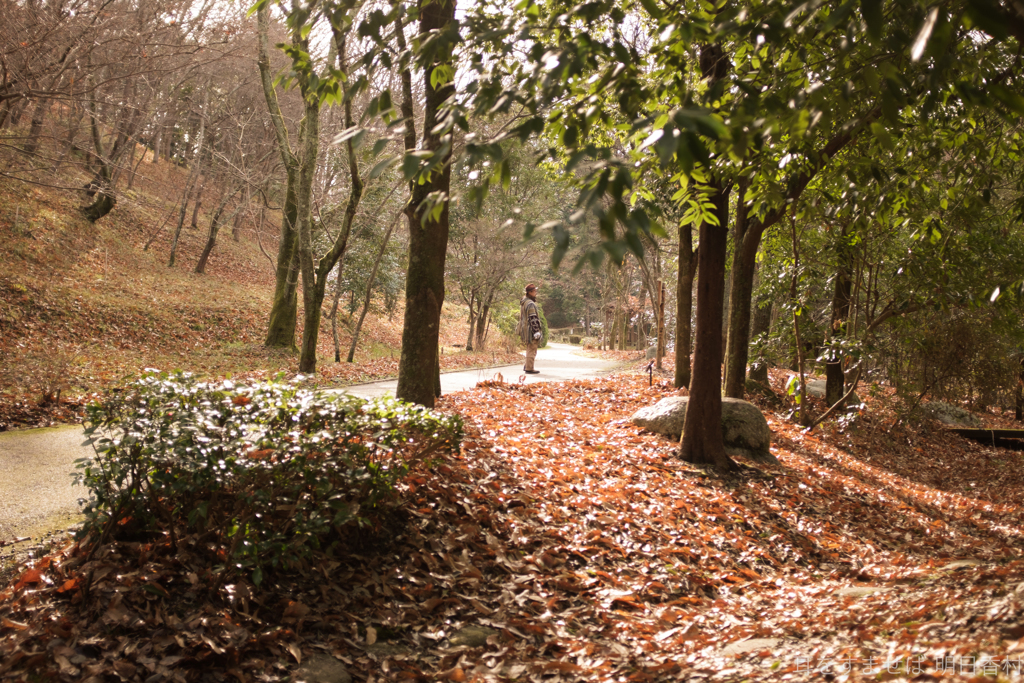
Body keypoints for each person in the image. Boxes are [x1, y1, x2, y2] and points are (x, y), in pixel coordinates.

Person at [518, 283, 542, 374]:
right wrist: (536, 331)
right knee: (532, 349)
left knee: (529, 348)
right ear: (530, 292)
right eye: (535, 291)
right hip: (530, 330)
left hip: (525, 329)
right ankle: (529, 368)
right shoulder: (530, 303)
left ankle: (527, 365)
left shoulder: (524, 302)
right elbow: (533, 318)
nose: (536, 293)